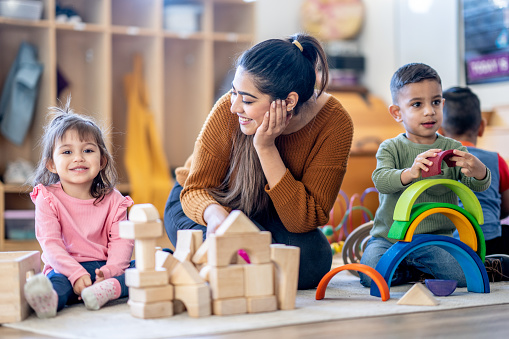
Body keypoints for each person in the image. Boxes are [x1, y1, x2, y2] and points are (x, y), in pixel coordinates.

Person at [164, 33, 354, 289]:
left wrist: (266, 148)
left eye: (248, 100)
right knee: (242, 244)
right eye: (234, 93)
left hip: (270, 213)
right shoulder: (228, 110)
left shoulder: (335, 123)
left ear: (288, 101)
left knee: (314, 259)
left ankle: (232, 267)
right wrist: (216, 216)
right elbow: (195, 190)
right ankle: (228, 267)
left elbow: (304, 220)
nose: (235, 107)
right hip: (204, 204)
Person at [359, 63, 491, 288]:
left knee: (461, 277)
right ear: (397, 113)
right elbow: (381, 180)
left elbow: (474, 185)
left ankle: (413, 269)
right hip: (390, 239)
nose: (429, 111)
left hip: (435, 241)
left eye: (436, 102)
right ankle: (409, 270)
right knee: (370, 275)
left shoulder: (453, 147)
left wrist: (480, 172)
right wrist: (410, 173)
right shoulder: (390, 148)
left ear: (443, 105)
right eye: (417, 104)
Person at [25, 98, 135, 318]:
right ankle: (50, 300)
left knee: (144, 268)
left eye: (87, 150)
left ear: (102, 160)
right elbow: (51, 245)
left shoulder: (114, 199)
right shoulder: (47, 198)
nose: (78, 158)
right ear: (51, 164)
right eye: (67, 152)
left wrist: (109, 272)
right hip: (65, 269)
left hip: (103, 271)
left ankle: (107, 290)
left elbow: (122, 242)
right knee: (56, 280)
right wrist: (75, 274)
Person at [441, 86, 509, 277]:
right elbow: (505, 208)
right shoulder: (497, 160)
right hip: (490, 243)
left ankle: (461, 267)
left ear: (440, 130)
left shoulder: (436, 161)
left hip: (450, 245)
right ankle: (489, 265)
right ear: (481, 127)